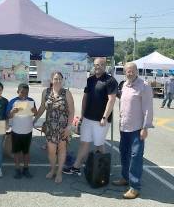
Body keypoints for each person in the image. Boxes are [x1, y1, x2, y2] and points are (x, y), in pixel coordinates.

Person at [65, 57, 118, 175]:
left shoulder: (110, 81)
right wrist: (83, 116)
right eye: (95, 65)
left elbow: (111, 100)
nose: (97, 67)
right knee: (84, 142)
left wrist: (104, 117)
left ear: (105, 66)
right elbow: (85, 98)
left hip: (101, 121)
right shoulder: (90, 80)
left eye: (99, 65)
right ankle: (76, 167)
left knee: (99, 145)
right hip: (88, 118)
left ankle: (104, 170)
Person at [112, 62, 154, 199]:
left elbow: (148, 108)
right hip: (124, 127)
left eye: (132, 71)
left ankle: (135, 187)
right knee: (124, 154)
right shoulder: (124, 85)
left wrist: (145, 127)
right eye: (127, 71)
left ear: (136, 71)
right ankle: (125, 178)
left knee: (136, 157)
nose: (129, 73)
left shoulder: (144, 86)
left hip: (137, 129)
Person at [34, 72, 74, 183]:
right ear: (51, 80)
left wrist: (69, 127)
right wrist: (35, 119)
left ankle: (59, 172)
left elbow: (71, 111)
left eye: (60, 79)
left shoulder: (67, 93)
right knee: (51, 151)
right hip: (50, 127)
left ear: (62, 80)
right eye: (56, 79)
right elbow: (42, 107)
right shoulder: (45, 92)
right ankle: (53, 169)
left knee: (61, 150)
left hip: (62, 127)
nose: (58, 81)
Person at [7, 83, 37, 179]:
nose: (24, 95)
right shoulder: (13, 101)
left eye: (26, 93)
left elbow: (35, 113)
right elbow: (8, 115)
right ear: (17, 92)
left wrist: (34, 110)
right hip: (16, 131)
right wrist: (12, 112)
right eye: (22, 92)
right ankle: (17, 169)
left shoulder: (31, 101)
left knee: (26, 152)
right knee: (16, 152)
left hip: (28, 131)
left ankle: (26, 168)